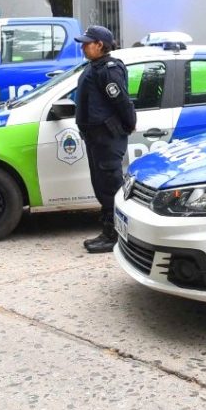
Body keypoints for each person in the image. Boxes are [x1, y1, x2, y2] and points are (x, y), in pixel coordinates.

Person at [74, 25, 136, 254]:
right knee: (101, 186)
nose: (82, 46)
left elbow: (121, 102)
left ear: (100, 45)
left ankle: (115, 236)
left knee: (110, 187)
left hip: (107, 138)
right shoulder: (95, 67)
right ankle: (108, 231)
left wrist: (129, 125)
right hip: (96, 138)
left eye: (87, 43)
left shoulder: (108, 70)